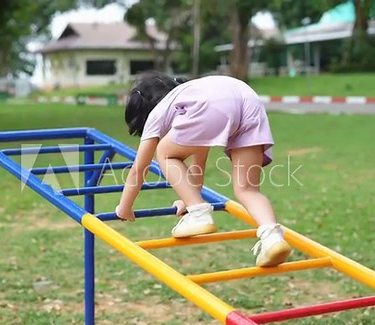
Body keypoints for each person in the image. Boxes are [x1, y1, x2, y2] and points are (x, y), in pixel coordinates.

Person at [114, 71, 291, 267]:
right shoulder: (192, 96)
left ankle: (199, 214)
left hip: (221, 102)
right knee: (247, 189)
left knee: (164, 153)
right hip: (247, 99)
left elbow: (139, 168)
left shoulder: (158, 113)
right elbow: (198, 170)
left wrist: (125, 207)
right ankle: (273, 238)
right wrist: (187, 198)